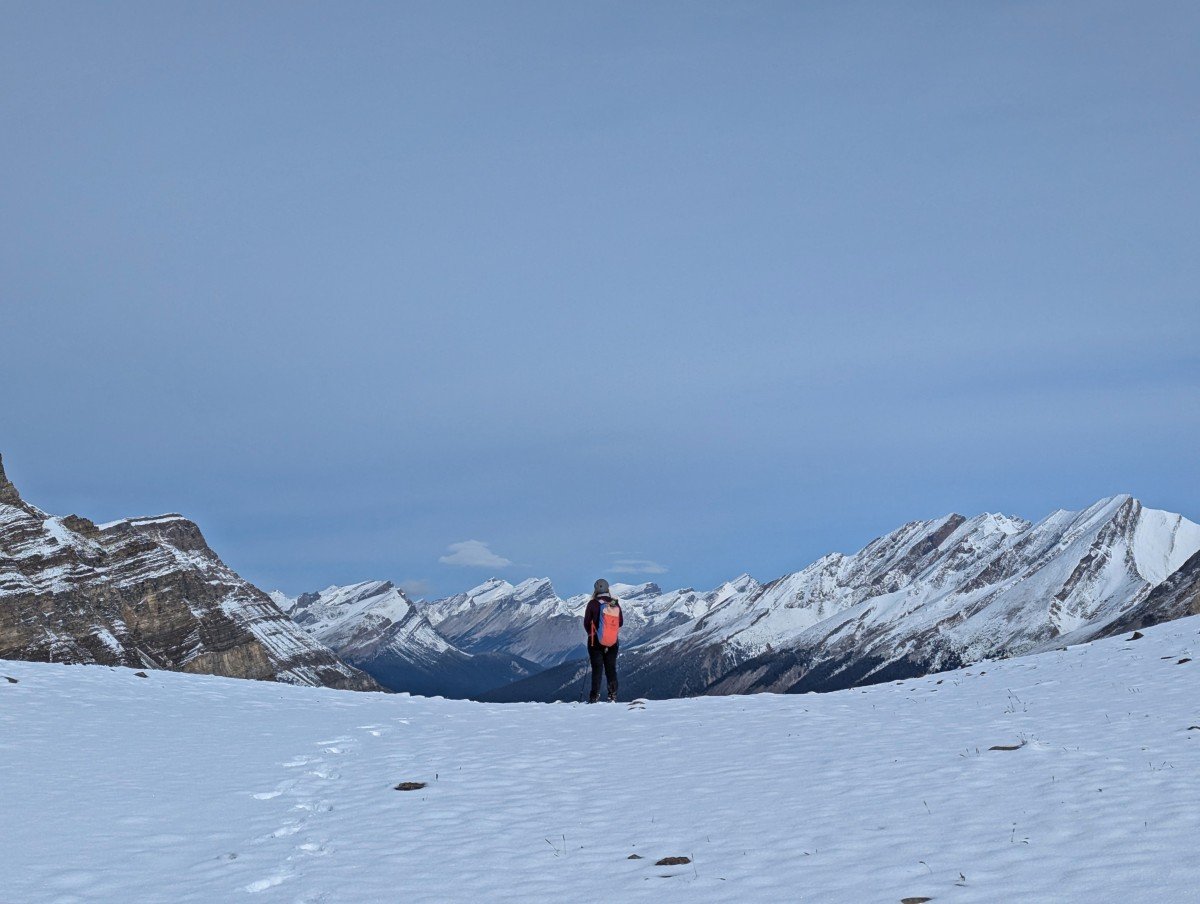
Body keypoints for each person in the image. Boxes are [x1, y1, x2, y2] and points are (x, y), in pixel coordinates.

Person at [583, 578, 623, 703]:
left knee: (597, 669)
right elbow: (620, 622)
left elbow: (586, 623)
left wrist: (593, 634)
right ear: (607, 589)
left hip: (595, 642)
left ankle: (594, 696)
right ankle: (612, 695)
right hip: (612, 642)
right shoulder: (614, 603)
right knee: (611, 668)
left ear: (596, 590)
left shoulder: (593, 603)